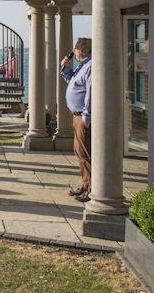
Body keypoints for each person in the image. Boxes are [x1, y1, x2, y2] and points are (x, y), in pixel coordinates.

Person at [61, 37, 93, 203]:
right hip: (77, 116)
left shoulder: (90, 66)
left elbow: (90, 92)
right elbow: (73, 82)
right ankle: (85, 184)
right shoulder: (82, 66)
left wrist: (87, 117)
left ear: (85, 50)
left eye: (77, 48)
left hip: (83, 116)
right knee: (79, 152)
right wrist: (66, 69)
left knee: (86, 153)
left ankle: (92, 189)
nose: (74, 51)